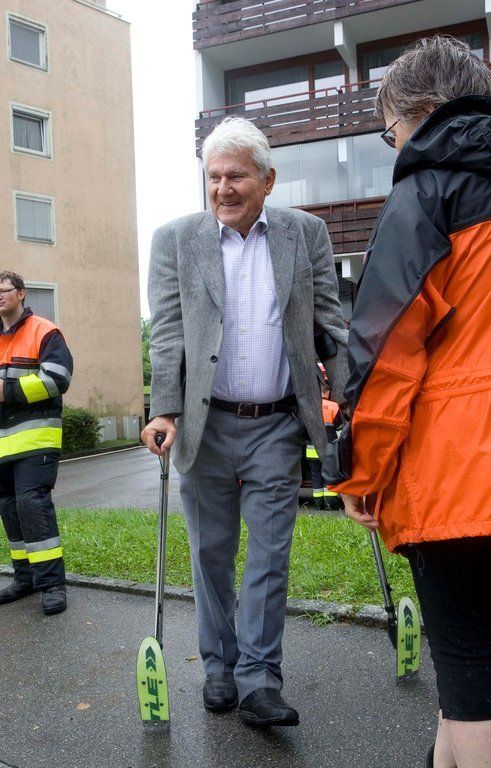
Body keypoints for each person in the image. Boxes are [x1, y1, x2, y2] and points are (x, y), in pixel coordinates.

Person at [141, 117, 348, 727]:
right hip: (204, 427)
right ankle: (219, 666)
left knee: (268, 555)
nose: (223, 188)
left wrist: (352, 397)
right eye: (214, 176)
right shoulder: (175, 240)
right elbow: (169, 333)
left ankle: (260, 678)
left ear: (267, 180)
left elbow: (329, 324)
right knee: (210, 554)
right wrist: (164, 408)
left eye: (236, 176)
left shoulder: (305, 234)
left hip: (277, 424)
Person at [323, 37, 491, 767]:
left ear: (416, 113)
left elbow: (386, 354)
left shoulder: (427, 192)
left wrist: (360, 476)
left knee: (472, 673)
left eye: (388, 132)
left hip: (462, 480)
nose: (393, 146)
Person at [0, 271, 73, 615]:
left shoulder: (43, 331)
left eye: (4, 290)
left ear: (21, 293)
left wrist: (7, 391)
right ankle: (25, 577)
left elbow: (59, 378)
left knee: (32, 505)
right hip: (2, 444)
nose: (0, 296)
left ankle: (51, 584)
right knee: (9, 509)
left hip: (35, 438)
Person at [305, 369, 342, 511]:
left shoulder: (311, 408)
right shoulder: (334, 406)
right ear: (327, 392)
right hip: (328, 448)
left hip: (312, 448)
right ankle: (331, 502)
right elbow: (340, 426)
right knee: (329, 474)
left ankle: (318, 503)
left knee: (316, 475)